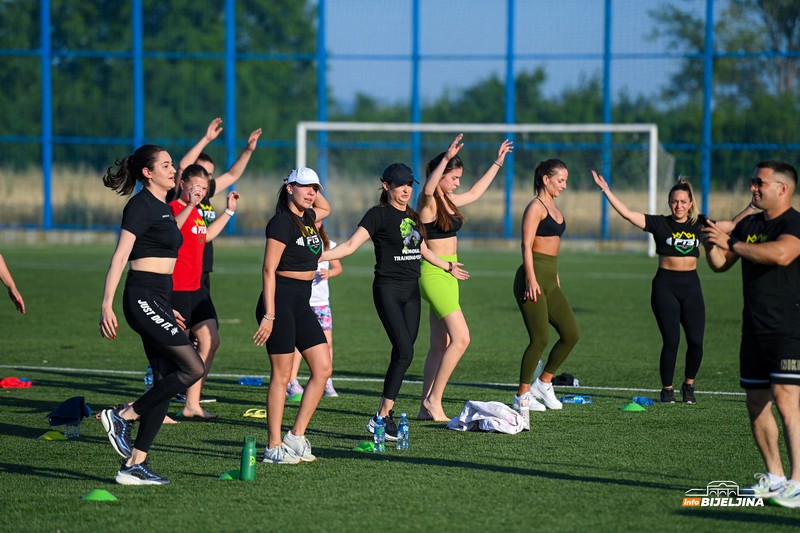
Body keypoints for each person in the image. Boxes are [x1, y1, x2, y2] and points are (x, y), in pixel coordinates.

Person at [321, 163, 468, 440]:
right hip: (388, 290)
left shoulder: (412, 216)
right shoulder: (377, 215)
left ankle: (383, 415)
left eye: (409, 185)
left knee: (403, 354)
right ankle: (381, 416)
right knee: (404, 351)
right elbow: (349, 246)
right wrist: (318, 256)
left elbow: (423, 250)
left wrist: (447, 266)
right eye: (400, 184)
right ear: (386, 186)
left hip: (411, 292)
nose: (406, 190)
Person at [98, 145, 205, 485]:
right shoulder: (140, 206)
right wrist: (106, 304)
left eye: (172, 165)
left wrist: (166, 306)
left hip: (159, 298)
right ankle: (123, 415)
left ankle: (135, 464)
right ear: (148, 172)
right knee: (193, 367)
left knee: (165, 380)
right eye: (166, 165)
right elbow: (120, 257)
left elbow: (163, 249)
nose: (173, 170)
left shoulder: (162, 207)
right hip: (141, 296)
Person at [703, 160, 800, 507]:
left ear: (782, 188)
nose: (753, 188)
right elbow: (720, 263)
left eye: (760, 183)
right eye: (752, 182)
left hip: (790, 328)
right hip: (754, 328)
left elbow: (782, 254)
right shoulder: (751, 225)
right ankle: (775, 477)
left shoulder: (794, 223)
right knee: (756, 401)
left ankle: (798, 481)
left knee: (786, 398)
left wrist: (731, 241)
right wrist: (709, 240)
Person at [416, 134, 513, 421]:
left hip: (450, 274)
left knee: (440, 343)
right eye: (454, 177)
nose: (458, 183)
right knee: (461, 339)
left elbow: (475, 193)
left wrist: (497, 162)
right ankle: (434, 400)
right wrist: (445, 158)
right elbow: (429, 188)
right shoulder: (428, 202)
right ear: (441, 175)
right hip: (434, 273)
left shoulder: (450, 200)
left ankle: (424, 407)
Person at [172, 119, 261, 405]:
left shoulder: (204, 197)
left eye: (209, 177)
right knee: (180, 338)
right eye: (201, 176)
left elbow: (233, 174)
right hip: (179, 278)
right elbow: (183, 167)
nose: (207, 182)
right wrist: (206, 138)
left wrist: (248, 150)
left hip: (200, 274)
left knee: (208, 337)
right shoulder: (180, 200)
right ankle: (170, 388)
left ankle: (191, 397)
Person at [252, 168, 332, 464]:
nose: (312, 193)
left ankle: (295, 437)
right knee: (282, 376)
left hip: (301, 303)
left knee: (323, 369)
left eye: (315, 188)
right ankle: (273, 447)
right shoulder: (281, 222)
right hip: (279, 302)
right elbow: (268, 269)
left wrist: (308, 191)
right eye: (305, 187)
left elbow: (326, 207)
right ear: (289, 188)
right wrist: (270, 314)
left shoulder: (308, 217)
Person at [169, 164, 240, 418]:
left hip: (196, 287)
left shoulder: (198, 211)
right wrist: (190, 205)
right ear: (183, 185)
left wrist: (229, 212)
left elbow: (206, 235)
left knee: (211, 340)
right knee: (175, 350)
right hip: (176, 288)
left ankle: (192, 404)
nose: (200, 191)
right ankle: (156, 406)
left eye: (204, 188)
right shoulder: (173, 208)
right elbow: (170, 233)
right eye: (195, 186)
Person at [512, 159, 579, 412]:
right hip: (532, 278)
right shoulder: (535, 207)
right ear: (545, 179)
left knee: (571, 334)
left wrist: (555, 276)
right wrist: (531, 278)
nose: (564, 185)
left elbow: (553, 248)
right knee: (540, 338)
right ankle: (522, 396)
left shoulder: (555, 208)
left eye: (566, 180)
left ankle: (544, 383)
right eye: (560, 180)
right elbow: (526, 245)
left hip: (550, 279)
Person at [286, 220, 343, 399]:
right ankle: (292, 382)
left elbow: (338, 268)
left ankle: (326, 381)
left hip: (322, 304)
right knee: (299, 345)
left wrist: (329, 273)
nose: (315, 222)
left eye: (318, 219)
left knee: (327, 343)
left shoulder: (328, 245)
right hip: (304, 302)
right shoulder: (299, 242)